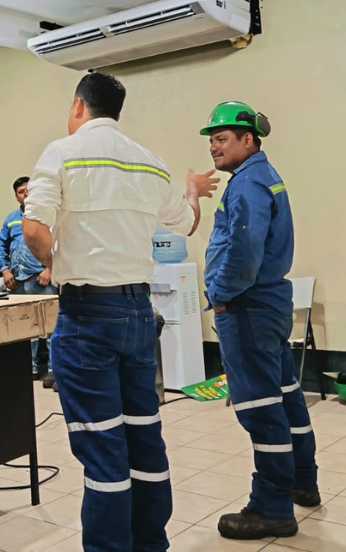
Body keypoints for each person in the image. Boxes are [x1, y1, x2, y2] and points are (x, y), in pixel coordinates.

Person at [23, 72, 213, 552]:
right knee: (144, 435)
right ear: (118, 112)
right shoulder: (149, 161)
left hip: (87, 315)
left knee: (103, 445)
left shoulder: (62, 153)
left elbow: (33, 229)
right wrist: (192, 188)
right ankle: (150, 543)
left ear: (78, 106)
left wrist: (55, 264)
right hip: (138, 313)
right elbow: (187, 222)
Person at [200, 101, 318, 540]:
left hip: (247, 306)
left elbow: (243, 251)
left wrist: (220, 296)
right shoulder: (264, 176)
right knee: (286, 397)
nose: (214, 146)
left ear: (248, 139)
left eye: (222, 138)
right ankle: (303, 481)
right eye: (212, 140)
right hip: (269, 304)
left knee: (260, 409)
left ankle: (271, 507)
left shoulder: (247, 183)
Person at [0, 176, 53, 379]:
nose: (26, 194)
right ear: (16, 196)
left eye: (29, 190)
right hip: (17, 282)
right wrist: (5, 271)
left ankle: (53, 371)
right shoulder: (11, 218)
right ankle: (30, 369)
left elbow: (60, 242)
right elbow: (1, 246)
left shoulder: (48, 215)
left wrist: (50, 269)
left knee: (50, 328)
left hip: (42, 280)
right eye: (21, 192)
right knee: (24, 328)